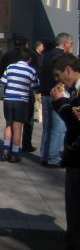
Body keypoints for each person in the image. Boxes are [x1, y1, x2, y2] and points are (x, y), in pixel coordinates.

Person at [50, 53, 80, 250]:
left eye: (59, 76)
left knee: (77, 208)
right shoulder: (74, 92)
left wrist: (60, 103)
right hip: (74, 158)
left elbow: (75, 123)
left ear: (68, 70)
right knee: (72, 209)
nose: (59, 81)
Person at [40, 33, 74, 167]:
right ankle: (53, 157)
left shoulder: (46, 55)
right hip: (57, 94)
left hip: (44, 94)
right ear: (65, 43)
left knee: (47, 128)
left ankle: (44, 155)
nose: (71, 46)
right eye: (71, 44)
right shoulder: (64, 58)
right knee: (58, 128)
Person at [0, 48, 39, 163]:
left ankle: (6, 149)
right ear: (29, 59)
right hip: (21, 101)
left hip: (8, 99)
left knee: (8, 125)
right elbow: (35, 87)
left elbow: (3, 82)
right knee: (18, 128)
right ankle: (14, 154)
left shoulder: (10, 67)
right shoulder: (31, 70)